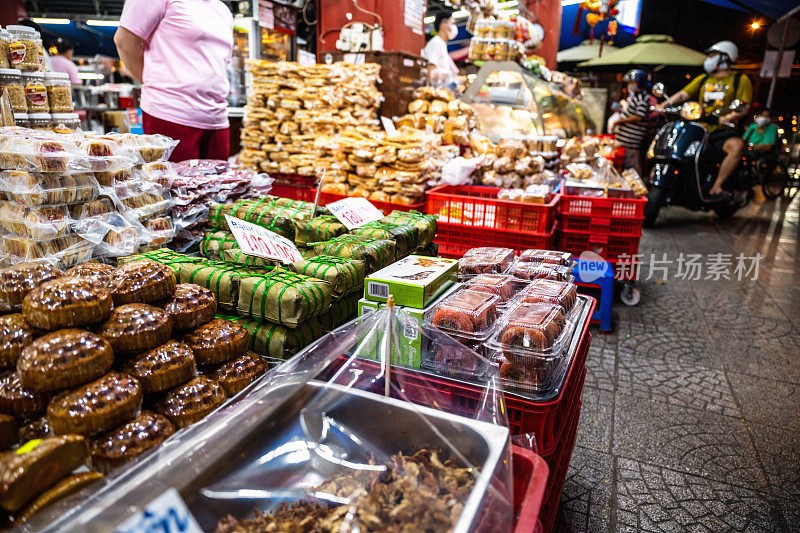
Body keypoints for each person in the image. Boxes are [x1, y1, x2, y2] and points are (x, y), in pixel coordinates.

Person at [114, 0, 234, 162]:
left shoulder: (222, 9)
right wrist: (152, 82)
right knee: (173, 185)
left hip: (217, 118)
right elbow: (125, 41)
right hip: (170, 113)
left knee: (217, 185)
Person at [661, 41, 752, 197]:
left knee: (736, 146)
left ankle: (717, 186)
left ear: (726, 58)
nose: (709, 58)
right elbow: (684, 94)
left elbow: (744, 106)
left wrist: (727, 117)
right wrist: (664, 105)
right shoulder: (704, 79)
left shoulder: (740, 80)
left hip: (723, 130)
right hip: (699, 127)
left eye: (713, 55)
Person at [614, 69, 652, 177]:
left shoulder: (643, 97)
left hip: (632, 140)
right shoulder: (634, 95)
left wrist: (620, 121)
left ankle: (636, 190)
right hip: (625, 139)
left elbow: (639, 116)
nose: (630, 85)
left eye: (632, 82)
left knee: (632, 166)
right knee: (625, 164)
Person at [423, 13, 459, 91]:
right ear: (443, 26)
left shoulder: (442, 44)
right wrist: (430, 92)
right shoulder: (436, 43)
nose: (454, 27)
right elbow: (430, 69)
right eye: (452, 23)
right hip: (436, 93)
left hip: (442, 92)